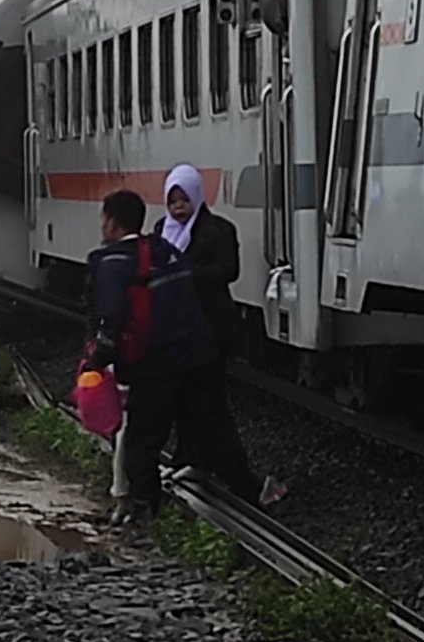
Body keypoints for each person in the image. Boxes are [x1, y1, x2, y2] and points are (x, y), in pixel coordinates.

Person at [154, 163, 286, 509]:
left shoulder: (218, 229)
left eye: (184, 199)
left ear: (197, 196)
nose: (178, 207)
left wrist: (186, 273)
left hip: (210, 329)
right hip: (176, 331)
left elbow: (228, 272)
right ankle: (192, 460)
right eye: (173, 200)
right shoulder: (161, 230)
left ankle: (245, 483)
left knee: (209, 405)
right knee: (185, 399)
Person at [86, 188, 220, 525]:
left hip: (151, 361)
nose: (102, 226)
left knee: (141, 438)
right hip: (190, 353)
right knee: (190, 424)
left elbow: (112, 317)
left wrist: (97, 359)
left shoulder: (112, 263)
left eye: (103, 220)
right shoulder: (163, 248)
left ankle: (143, 509)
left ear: (112, 223)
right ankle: (243, 485)